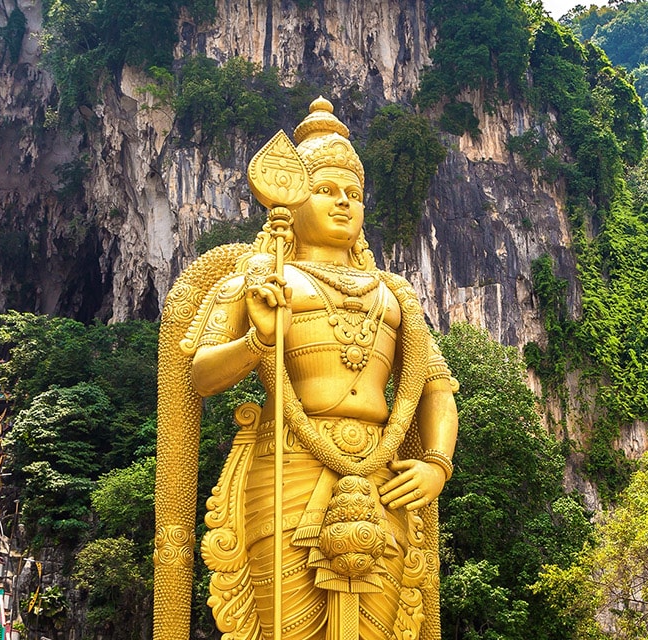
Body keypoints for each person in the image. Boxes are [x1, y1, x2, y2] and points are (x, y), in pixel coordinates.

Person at [152, 99, 460, 640]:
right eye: (326, 190)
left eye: (354, 195)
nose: (343, 203)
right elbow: (198, 376)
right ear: (292, 200)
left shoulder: (396, 296)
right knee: (283, 627)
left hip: (381, 475)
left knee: (386, 629)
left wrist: (436, 461)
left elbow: (435, 386)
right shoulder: (263, 279)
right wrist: (257, 341)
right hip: (287, 461)